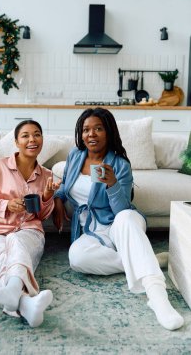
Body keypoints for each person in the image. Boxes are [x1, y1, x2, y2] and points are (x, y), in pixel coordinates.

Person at [53, 108, 184, 331]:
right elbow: (66, 184)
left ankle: (158, 297)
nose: (91, 134)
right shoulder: (75, 156)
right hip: (92, 230)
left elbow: (121, 208)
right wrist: (58, 198)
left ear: (108, 132)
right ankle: (146, 258)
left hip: (121, 223)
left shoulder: (120, 164)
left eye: (98, 128)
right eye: (86, 130)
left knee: (124, 218)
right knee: (76, 257)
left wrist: (112, 184)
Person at [0, 120, 60, 327]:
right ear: (16, 142)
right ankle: (26, 303)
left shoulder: (46, 175)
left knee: (18, 243)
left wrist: (47, 196)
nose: (32, 139)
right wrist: (5, 205)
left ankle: (12, 293)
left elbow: (43, 215)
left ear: (42, 139)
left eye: (37, 134)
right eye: (26, 135)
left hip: (30, 231)